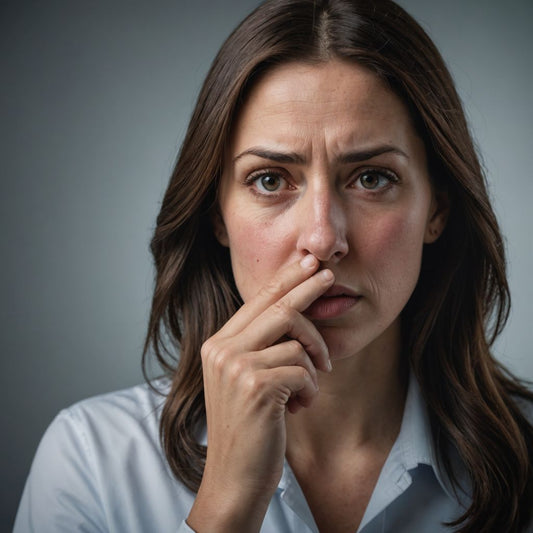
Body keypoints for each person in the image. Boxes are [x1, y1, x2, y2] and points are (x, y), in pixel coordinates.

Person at [14, 0, 533, 532]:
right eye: (270, 179)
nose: (322, 238)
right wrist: (227, 502)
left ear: (438, 208)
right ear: (217, 214)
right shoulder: (91, 464)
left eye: (372, 178)